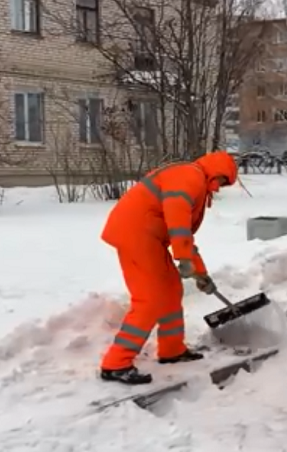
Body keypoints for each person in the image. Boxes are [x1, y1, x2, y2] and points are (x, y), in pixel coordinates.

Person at [98, 151, 239, 385]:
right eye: (222, 180)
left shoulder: (193, 178)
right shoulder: (191, 176)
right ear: (216, 171)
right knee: (150, 299)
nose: (219, 187)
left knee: (171, 289)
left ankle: (172, 349)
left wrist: (200, 273)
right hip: (137, 233)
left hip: (148, 235)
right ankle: (116, 363)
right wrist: (183, 257)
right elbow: (177, 218)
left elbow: (184, 234)